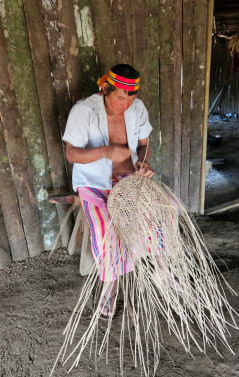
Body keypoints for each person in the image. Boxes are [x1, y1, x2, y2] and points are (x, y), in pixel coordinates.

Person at [57, 64, 154, 317]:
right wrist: (105, 151)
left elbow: (144, 145)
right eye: (120, 98)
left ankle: (162, 272)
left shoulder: (138, 109)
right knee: (106, 228)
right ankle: (110, 287)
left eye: (130, 99)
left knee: (161, 214)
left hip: (128, 178)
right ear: (105, 88)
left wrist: (143, 163)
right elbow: (71, 154)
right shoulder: (84, 110)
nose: (126, 105)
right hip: (93, 182)